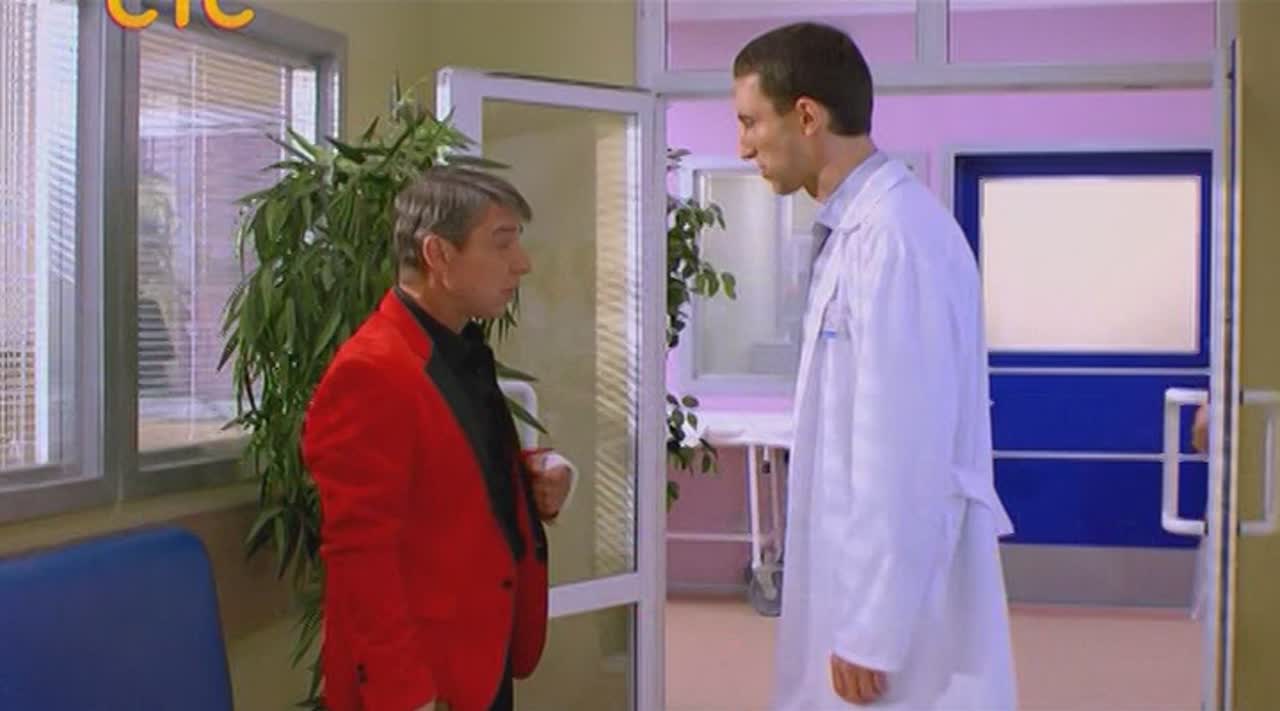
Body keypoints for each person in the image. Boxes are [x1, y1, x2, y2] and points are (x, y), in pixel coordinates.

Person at [731, 23, 1017, 710]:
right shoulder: (855, 234)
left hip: (895, 618)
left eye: (750, 122)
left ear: (806, 116)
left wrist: (872, 628)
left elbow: (905, 449)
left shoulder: (895, 239)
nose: (742, 146)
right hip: (862, 584)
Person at [301, 166, 577, 711]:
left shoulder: (456, 348)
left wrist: (535, 478)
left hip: (478, 656)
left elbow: (451, 469)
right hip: (419, 679)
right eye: (502, 243)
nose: (521, 263)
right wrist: (407, 697)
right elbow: (361, 559)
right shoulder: (372, 371)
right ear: (439, 254)